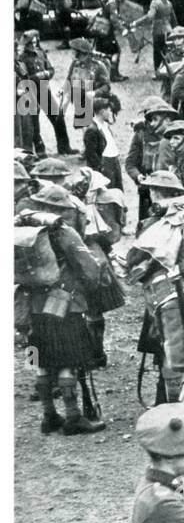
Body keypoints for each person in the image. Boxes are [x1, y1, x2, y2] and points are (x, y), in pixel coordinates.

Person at [17, 183, 106, 435]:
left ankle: (48, 416)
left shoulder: (22, 229)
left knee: (38, 360)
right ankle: (73, 417)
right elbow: (90, 269)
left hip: (30, 307)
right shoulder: (64, 232)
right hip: (65, 305)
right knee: (70, 359)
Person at [126, 97, 179, 225]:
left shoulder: (177, 135)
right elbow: (130, 163)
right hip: (147, 191)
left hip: (172, 191)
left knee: (177, 225)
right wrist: (138, 176)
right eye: (149, 117)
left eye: (155, 117)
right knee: (146, 227)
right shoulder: (140, 135)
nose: (151, 122)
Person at [82, 96, 124, 192]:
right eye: (108, 110)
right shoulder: (92, 130)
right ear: (102, 111)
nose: (110, 113)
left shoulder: (105, 125)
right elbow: (91, 154)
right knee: (108, 192)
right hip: (105, 164)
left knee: (117, 191)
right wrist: (100, 168)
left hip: (114, 161)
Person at [132, 0, 177, 71]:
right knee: (167, 51)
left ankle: (158, 72)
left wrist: (136, 23)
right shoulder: (168, 2)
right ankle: (169, 69)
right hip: (168, 30)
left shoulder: (154, 3)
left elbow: (150, 17)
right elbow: (174, 19)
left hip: (158, 31)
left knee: (157, 52)